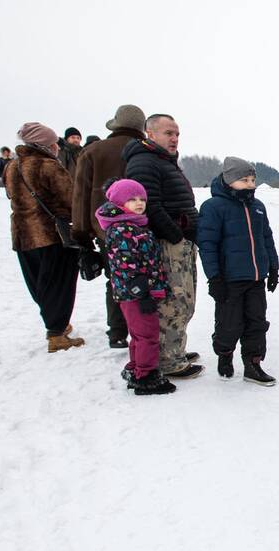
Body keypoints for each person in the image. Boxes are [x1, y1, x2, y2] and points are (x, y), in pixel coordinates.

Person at [123, 113, 203, 378]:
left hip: (179, 242)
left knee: (184, 301)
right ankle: (168, 360)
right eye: (168, 133)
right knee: (174, 302)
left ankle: (173, 349)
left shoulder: (162, 160)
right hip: (167, 244)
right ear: (150, 133)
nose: (174, 138)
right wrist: (175, 235)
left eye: (177, 133)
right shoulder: (144, 162)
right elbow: (150, 206)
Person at [197, 157, 279, 386]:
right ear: (229, 180)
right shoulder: (214, 207)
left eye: (252, 179)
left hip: (255, 278)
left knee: (257, 322)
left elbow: (267, 239)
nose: (250, 184)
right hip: (229, 280)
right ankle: (225, 355)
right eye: (244, 180)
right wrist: (214, 278)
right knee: (229, 323)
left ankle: (253, 364)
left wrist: (273, 267)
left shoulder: (257, 207)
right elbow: (207, 245)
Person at [72, 103, 147, 348]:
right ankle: (143, 331)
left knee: (114, 279)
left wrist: (81, 233)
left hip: (104, 227)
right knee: (146, 279)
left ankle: (117, 332)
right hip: (143, 226)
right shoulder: (146, 149)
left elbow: (81, 195)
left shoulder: (93, 151)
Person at [4, 122, 84, 352]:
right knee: (59, 283)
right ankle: (56, 334)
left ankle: (55, 323)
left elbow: (10, 194)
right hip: (51, 234)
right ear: (47, 145)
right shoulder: (49, 166)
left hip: (22, 235)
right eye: (55, 143)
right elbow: (71, 199)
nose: (58, 147)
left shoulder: (12, 166)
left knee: (39, 283)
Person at [95, 178, 175, 395]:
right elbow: (127, 265)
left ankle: (135, 367)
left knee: (139, 334)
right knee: (147, 334)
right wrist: (142, 293)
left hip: (136, 292)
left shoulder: (133, 224)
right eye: (132, 199)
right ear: (120, 202)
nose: (139, 203)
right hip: (137, 294)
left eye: (142, 199)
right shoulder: (123, 229)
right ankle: (146, 377)